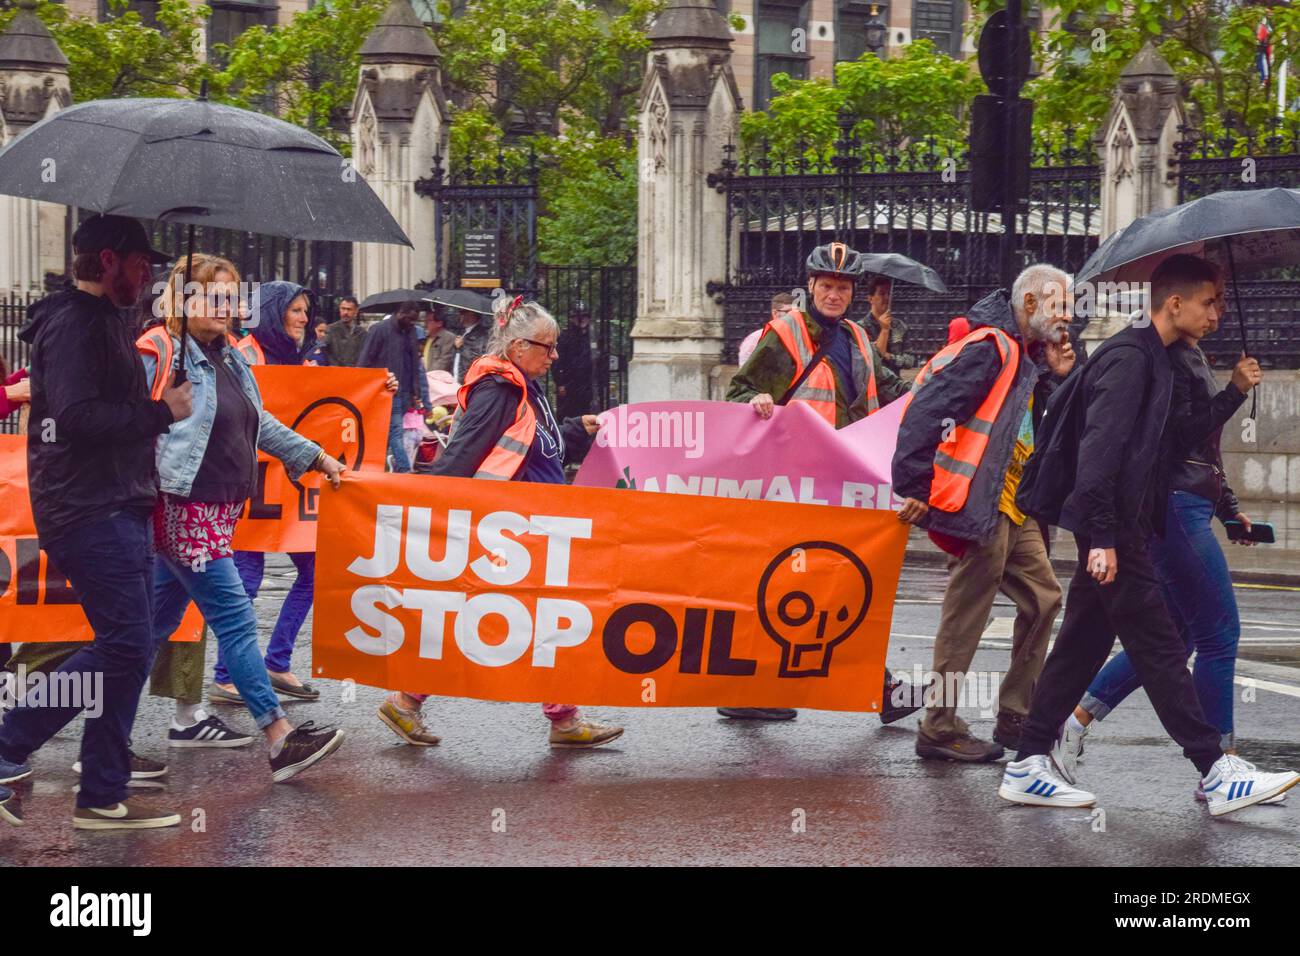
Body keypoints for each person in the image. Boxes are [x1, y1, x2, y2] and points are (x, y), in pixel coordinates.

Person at [1002, 253, 1299, 814]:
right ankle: (1214, 770)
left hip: (1123, 524)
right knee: (1163, 647)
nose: (1216, 314)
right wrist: (1107, 540)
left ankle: (1027, 760)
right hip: (1112, 528)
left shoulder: (1160, 359)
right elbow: (1097, 458)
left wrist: (1233, 392)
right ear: (1175, 303)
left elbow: (1174, 440)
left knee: (1081, 645)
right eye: (1209, 303)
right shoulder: (1129, 360)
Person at [0, 214, 189, 830]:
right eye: (141, 263)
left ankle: (102, 794)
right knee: (125, 644)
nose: (150, 274)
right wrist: (161, 411)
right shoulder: (75, 325)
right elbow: (77, 420)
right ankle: (9, 744)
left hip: (118, 502)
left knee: (129, 650)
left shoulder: (106, 320)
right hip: (87, 507)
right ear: (108, 260)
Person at [376, 296, 624, 750]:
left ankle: (412, 701)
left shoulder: (527, 388)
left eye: (554, 348)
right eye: (546, 348)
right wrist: (432, 509)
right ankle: (560, 718)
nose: (554, 357)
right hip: (511, 531)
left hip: (533, 525)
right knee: (528, 621)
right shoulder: (499, 391)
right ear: (515, 345)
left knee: (532, 620)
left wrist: (574, 430)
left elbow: (541, 449)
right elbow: (460, 457)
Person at [136, 255, 347, 778]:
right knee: (233, 616)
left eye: (232, 297)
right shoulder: (158, 349)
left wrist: (315, 456)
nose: (227, 307)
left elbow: (260, 422)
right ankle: (279, 736)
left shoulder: (229, 355)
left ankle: (76, 737)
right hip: (184, 508)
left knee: (146, 630)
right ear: (182, 300)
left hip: (219, 509)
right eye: (213, 296)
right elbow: (121, 422)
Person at [724, 240, 920, 723]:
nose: (835, 294)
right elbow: (741, 391)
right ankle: (876, 687)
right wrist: (754, 402)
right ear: (811, 285)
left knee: (839, 584)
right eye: (827, 286)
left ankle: (876, 686)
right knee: (811, 584)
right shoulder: (786, 334)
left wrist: (934, 388)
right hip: (794, 483)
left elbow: (889, 392)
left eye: (843, 287)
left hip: (846, 478)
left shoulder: (855, 336)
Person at [892, 265, 1076, 762]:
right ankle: (939, 726)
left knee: (1043, 599)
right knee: (966, 613)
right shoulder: (990, 348)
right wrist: (913, 486)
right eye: (1061, 306)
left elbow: (1042, 426)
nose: (1069, 317)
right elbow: (927, 410)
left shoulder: (1025, 355)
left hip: (1016, 499)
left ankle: (1016, 714)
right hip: (979, 500)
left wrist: (1058, 377)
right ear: (1032, 305)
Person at [219, 281, 336, 703]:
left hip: (290, 485)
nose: (305, 319)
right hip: (250, 484)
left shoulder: (304, 362)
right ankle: (224, 675)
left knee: (314, 571)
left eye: (306, 310)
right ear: (273, 312)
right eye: (296, 310)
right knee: (246, 577)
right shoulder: (241, 355)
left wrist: (383, 387)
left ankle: (276, 663)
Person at [356, 299, 431, 474]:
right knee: (395, 431)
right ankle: (404, 468)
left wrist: (415, 392)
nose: (413, 323)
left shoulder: (410, 332)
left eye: (415, 320)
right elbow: (365, 360)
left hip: (402, 391)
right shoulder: (380, 330)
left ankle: (386, 464)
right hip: (387, 390)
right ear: (401, 313)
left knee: (391, 432)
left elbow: (414, 364)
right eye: (410, 319)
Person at [864, 276, 915, 374]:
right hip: (871, 384)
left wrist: (889, 357)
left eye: (889, 294)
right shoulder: (861, 327)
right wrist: (884, 330)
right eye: (882, 293)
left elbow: (910, 361)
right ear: (870, 299)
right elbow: (869, 360)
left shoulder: (900, 326)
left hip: (894, 385)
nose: (887, 298)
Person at [554, 300, 594, 419]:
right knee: (568, 414)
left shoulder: (591, 337)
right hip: (569, 383)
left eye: (584, 317)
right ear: (572, 319)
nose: (581, 320)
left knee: (586, 414)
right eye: (578, 317)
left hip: (587, 383)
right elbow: (557, 362)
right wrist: (560, 383)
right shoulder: (565, 337)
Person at [737, 292, 794, 366]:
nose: (794, 316)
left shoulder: (800, 337)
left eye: (796, 313)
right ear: (775, 313)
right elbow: (744, 372)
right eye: (789, 312)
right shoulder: (755, 339)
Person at [321, 295, 367, 367]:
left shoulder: (362, 333)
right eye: (343, 309)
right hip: (335, 373)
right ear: (339, 309)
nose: (345, 312)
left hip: (355, 374)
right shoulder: (331, 329)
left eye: (349, 309)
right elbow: (322, 350)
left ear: (356, 311)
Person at [450, 307, 490, 383]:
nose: (460, 315)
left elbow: (477, 359)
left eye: (463, 312)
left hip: (469, 381)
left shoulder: (482, 335)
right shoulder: (463, 332)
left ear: (471, 314)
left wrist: (462, 347)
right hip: (457, 378)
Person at [422, 307, 457, 374]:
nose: (425, 324)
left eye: (429, 320)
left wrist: (429, 375)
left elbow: (444, 361)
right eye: (425, 320)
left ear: (439, 323)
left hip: (436, 378)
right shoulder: (427, 337)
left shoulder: (448, 337)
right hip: (424, 377)